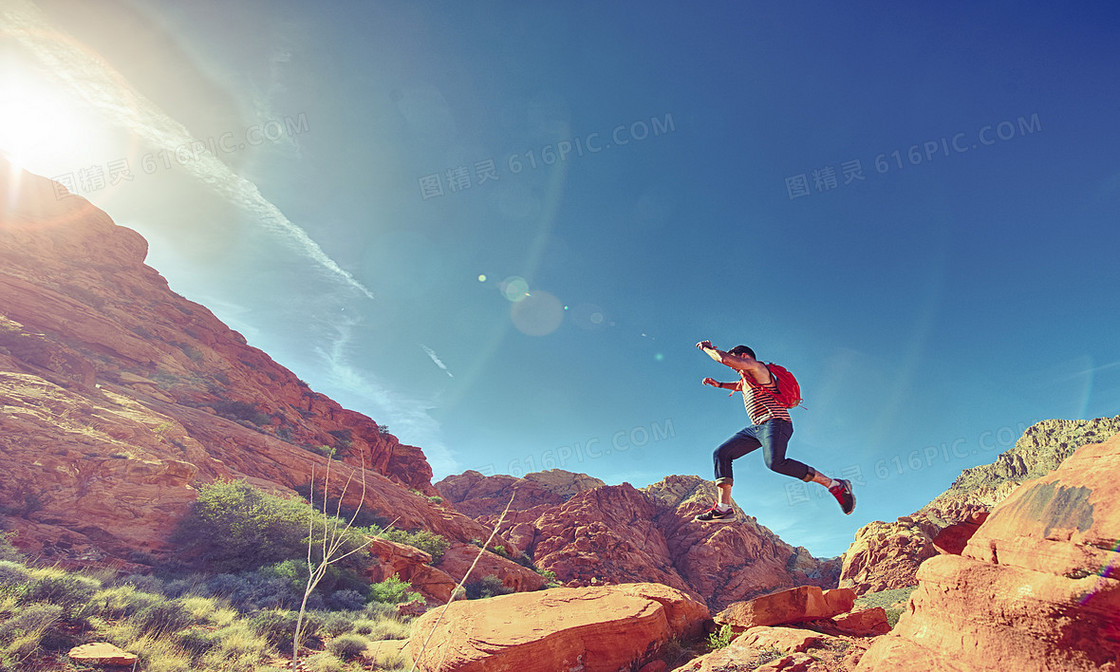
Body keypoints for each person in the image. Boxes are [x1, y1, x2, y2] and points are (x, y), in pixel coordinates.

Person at [693, 340, 855, 522]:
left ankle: (835, 485)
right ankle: (724, 509)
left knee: (775, 463)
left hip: (776, 423)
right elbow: (739, 386)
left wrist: (708, 348)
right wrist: (720, 385)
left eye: (736, 361)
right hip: (757, 428)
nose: (734, 367)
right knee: (721, 453)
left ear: (744, 357)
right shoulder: (748, 379)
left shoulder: (757, 368)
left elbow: (724, 359)